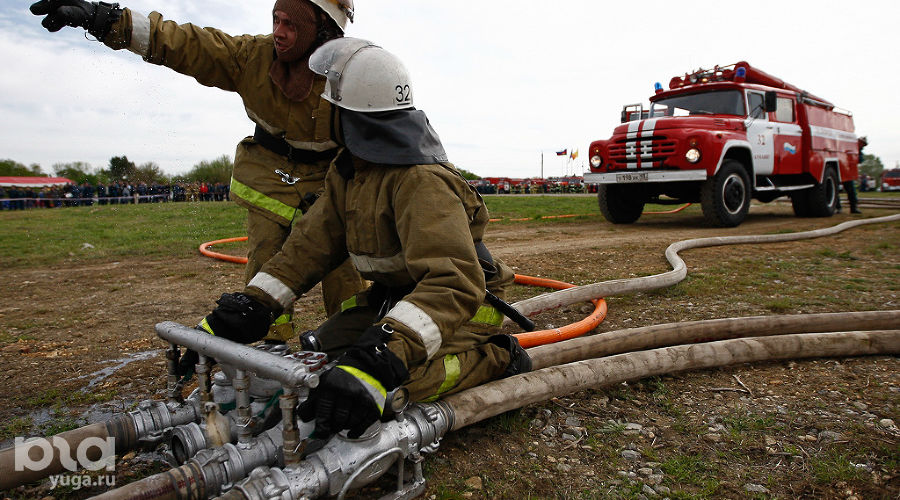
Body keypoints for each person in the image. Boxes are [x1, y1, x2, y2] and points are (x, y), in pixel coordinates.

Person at [191, 38, 532, 438]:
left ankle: (495, 358)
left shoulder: (420, 181)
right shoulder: (350, 171)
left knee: (378, 387)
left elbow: (453, 283)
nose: (319, 112)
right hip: (398, 299)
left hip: (462, 308)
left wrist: (381, 356)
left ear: (350, 115)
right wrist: (250, 307)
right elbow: (308, 247)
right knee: (320, 356)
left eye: (328, 105)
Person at [30, 0, 367, 341]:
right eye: (275, 20)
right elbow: (189, 44)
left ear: (321, 28)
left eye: (291, 25)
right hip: (269, 173)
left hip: (331, 177)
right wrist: (106, 19)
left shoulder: (355, 72)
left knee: (343, 263)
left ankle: (350, 340)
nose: (278, 32)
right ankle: (269, 342)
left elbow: (389, 129)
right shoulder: (252, 57)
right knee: (266, 256)